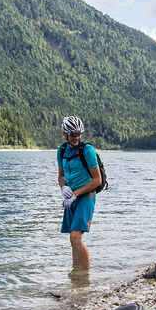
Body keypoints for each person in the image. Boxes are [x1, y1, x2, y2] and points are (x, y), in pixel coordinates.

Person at [57, 115, 102, 271]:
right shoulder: (61, 150)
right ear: (65, 134)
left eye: (78, 134)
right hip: (71, 198)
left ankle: (85, 275)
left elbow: (97, 180)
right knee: (72, 239)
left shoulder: (87, 150)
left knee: (76, 236)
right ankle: (77, 272)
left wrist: (76, 194)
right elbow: (61, 175)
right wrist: (63, 188)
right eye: (73, 134)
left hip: (85, 196)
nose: (76, 137)